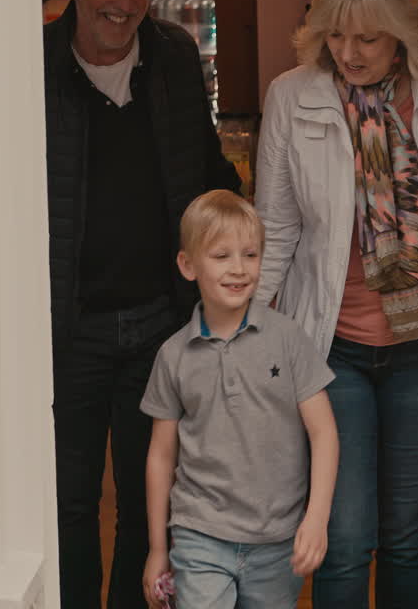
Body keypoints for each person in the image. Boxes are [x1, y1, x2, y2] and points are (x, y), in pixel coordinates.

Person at [253, 0, 418, 609]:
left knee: (408, 539)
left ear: (403, 34)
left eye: (368, 38)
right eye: (336, 34)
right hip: (332, 356)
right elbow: (274, 234)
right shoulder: (292, 97)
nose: (350, 53)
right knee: (343, 538)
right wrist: (247, 343)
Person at [43, 0, 242, 609]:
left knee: (146, 505)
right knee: (65, 507)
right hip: (68, 331)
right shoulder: (35, 68)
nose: (124, 4)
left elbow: (205, 168)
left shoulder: (174, 58)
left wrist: (240, 222)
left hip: (158, 326)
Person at [140, 190, 339, 609]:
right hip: (200, 534)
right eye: (221, 255)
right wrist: (159, 547)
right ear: (188, 265)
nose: (238, 269)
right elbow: (161, 455)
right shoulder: (173, 355)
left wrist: (316, 518)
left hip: (277, 541)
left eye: (250, 255)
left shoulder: (288, 339)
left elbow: (323, 433)